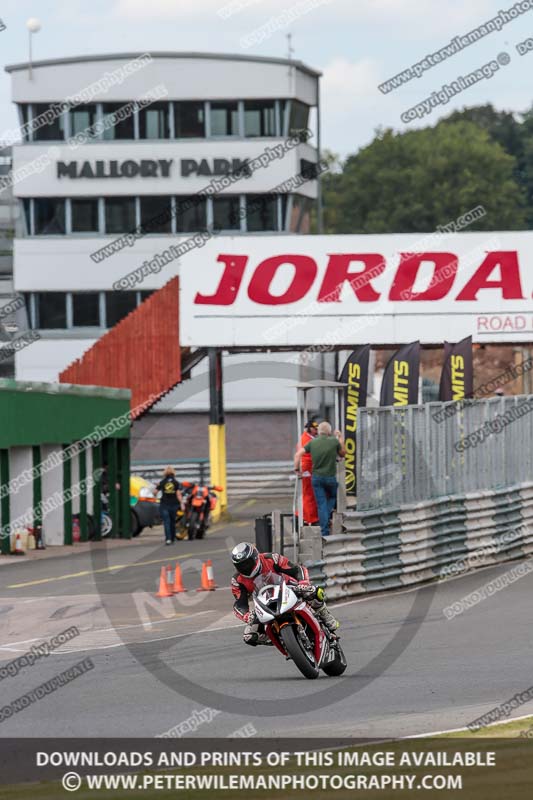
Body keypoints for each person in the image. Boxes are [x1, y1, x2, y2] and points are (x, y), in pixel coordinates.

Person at [231, 542, 339, 646]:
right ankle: (280, 640)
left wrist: (303, 583)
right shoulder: (237, 580)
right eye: (241, 566)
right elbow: (240, 604)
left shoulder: (271, 558)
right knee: (249, 636)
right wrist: (247, 616)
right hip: (264, 602)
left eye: (247, 563)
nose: (245, 568)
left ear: (255, 557)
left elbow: (297, 569)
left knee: (313, 591)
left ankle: (325, 614)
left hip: (287, 587)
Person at [294, 421, 345, 537]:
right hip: (328, 477)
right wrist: (340, 438)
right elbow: (342, 453)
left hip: (316, 477)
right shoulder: (333, 441)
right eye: (313, 428)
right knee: (331, 498)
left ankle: (324, 531)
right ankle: (321, 519)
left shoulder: (312, 442)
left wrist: (296, 470)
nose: (315, 430)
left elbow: (298, 455)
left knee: (320, 503)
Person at [296, 418, 319, 525]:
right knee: (308, 494)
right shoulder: (308, 439)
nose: (317, 430)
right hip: (307, 469)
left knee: (307, 493)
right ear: (310, 429)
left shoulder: (307, 438)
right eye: (315, 429)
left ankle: (303, 515)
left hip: (308, 468)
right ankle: (310, 518)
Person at [154, 466, 183, 545]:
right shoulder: (176, 482)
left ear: (165, 473)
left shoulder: (162, 482)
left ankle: (168, 539)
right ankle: (173, 538)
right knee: (172, 522)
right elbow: (178, 494)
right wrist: (182, 504)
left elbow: (155, 492)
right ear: (173, 473)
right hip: (174, 504)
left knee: (166, 522)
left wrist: (156, 495)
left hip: (164, 504)